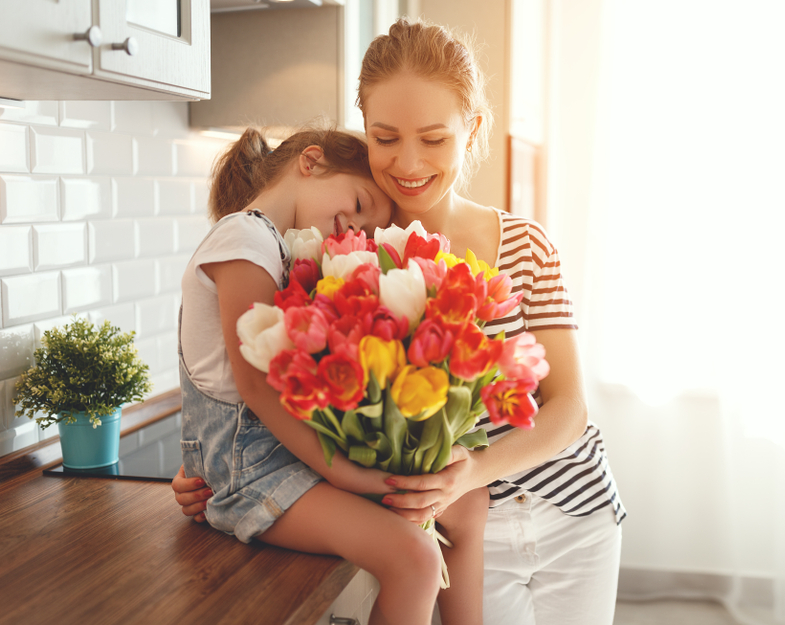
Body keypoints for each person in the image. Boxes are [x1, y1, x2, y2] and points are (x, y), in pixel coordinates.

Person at [175, 18, 626, 625]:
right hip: (462, 527)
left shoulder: (525, 244)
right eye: (385, 137)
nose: (408, 161)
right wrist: (208, 459)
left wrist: (473, 472)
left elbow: (569, 406)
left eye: (434, 138)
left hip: (573, 513)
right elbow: (282, 384)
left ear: (473, 130)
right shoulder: (333, 255)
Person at [177, 125, 488, 625]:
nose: (354, 228)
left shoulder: (278, 246)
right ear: (311, 161)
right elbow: (254, 387)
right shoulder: (244, 236)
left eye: (366, 228)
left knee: (468, 504)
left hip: (285, 458)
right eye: (362, 201)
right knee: (415, 559)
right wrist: (347, 474)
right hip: (254, 470)